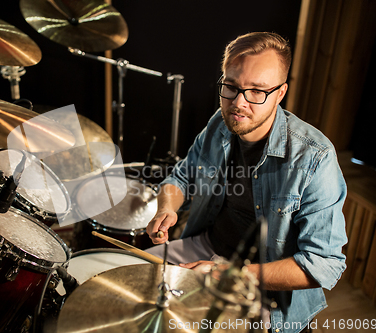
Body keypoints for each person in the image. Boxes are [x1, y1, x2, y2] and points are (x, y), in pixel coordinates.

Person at [146, 32, 347, 333]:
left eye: (257, 91)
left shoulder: (315, 158)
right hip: (206, 247)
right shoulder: (220, 122)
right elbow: (182, 177)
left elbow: (324, 264)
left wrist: (231, 273)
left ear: (280, 93)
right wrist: (167, 207)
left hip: (265, 285)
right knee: (129, 282)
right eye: (231, 87)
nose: (239, 103)